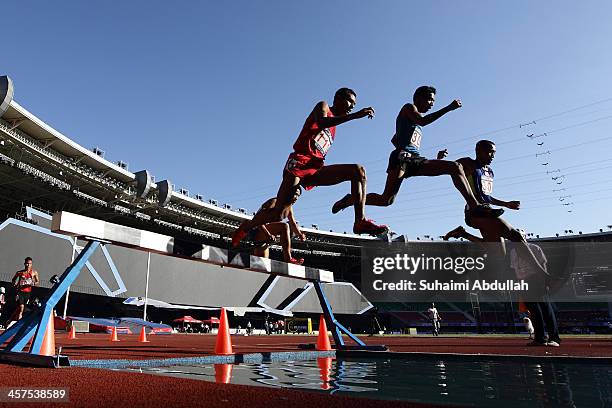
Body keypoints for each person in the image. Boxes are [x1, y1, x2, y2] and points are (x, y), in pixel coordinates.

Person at [232, 88, 388, 247]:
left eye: (354, 105)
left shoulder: (334, 128)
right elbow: (322, 122)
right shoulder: (323, 106)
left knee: (358, 171)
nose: (352, 107)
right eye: (350, 102)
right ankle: (246, 226)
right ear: (338, 99)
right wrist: (355, 116)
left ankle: (359, 221)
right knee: (280, 213)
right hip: (299, 163)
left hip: (315, 169)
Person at [331, 86, 504, 221]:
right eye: (429, 99)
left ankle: (474, 206)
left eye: (433, 101)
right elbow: (421, 121)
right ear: (418, 98)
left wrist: (409, 144)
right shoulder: (409, 108)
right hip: (402, 158)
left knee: (454, 167)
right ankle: (350, 199)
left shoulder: (412, 121)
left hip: (414, 159)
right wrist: (448, 108)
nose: (431, 103)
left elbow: (395, 138)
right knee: (386, 200)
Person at [444, 140, 548, 275]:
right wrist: (439, 158)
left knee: (499, 252)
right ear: (478, 151)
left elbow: (486, 197)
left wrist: (506, 204)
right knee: (515, 235)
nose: (492, 155)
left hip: (488, 211)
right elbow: (451, 167)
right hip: (475, 212)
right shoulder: (469, 164)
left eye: (494, 153)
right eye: (489, 152)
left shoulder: (490, 172)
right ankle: (544, 275)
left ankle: (462, 233)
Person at [509, 240, 560, 347]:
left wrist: (545, 281)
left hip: (536, 279)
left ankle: (554, 338)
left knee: (545, 308)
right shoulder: (513, 252)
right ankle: (540, 338)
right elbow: (515, 270)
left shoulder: (534, 248)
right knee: (534, 310)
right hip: (524, 281)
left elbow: (543, 264)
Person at [248, 186, 305, 264]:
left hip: (264, 240)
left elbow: (293, 223)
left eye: (298, 196)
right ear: (288, 192)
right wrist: (267, 234)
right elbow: (258, 220)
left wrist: (300, 234)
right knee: (284, 226)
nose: (296, 198)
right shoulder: (274, 202)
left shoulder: (289, 207)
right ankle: (288, 258)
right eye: (295, 194)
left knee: (263, 266)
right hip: (257, 230)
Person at [8, 257, 40, 322]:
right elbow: (13, 279)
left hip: (27, 293)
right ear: (24, 264)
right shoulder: (20, 272)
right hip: (20, 292)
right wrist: (15, 283)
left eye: (30, 264)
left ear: (31, 264)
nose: (28, 265)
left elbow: (37, 282)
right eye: (27, 264)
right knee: (21, 307)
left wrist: (32, 283)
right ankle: (18, 322)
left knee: (20, 308)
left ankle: (10, 320)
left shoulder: (34, 272)